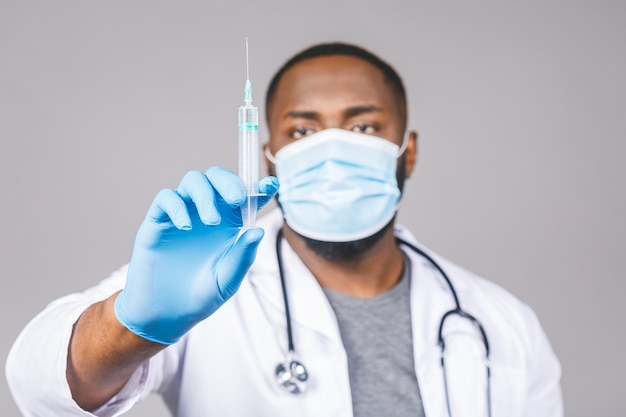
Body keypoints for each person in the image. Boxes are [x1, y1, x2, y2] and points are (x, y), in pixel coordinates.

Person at [6, 42, 563, 417]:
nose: (332, 146)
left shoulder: (500, 322)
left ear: (407, 151)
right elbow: (39, 386)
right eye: (303, 130)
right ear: (269, 158)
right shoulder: (209, 284)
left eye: (363, 124)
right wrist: (133, 325)